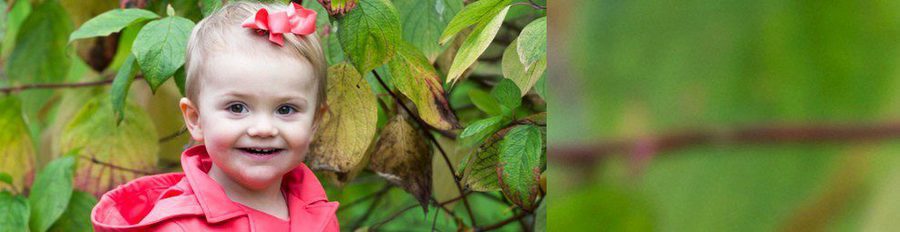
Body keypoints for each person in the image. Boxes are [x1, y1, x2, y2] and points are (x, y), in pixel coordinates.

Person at [91, 1, 339, 231]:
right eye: (237, 108)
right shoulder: (181, 227)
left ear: (315, 121)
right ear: (196, 119)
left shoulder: (316, 210)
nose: (263, 129)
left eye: (286, 109)